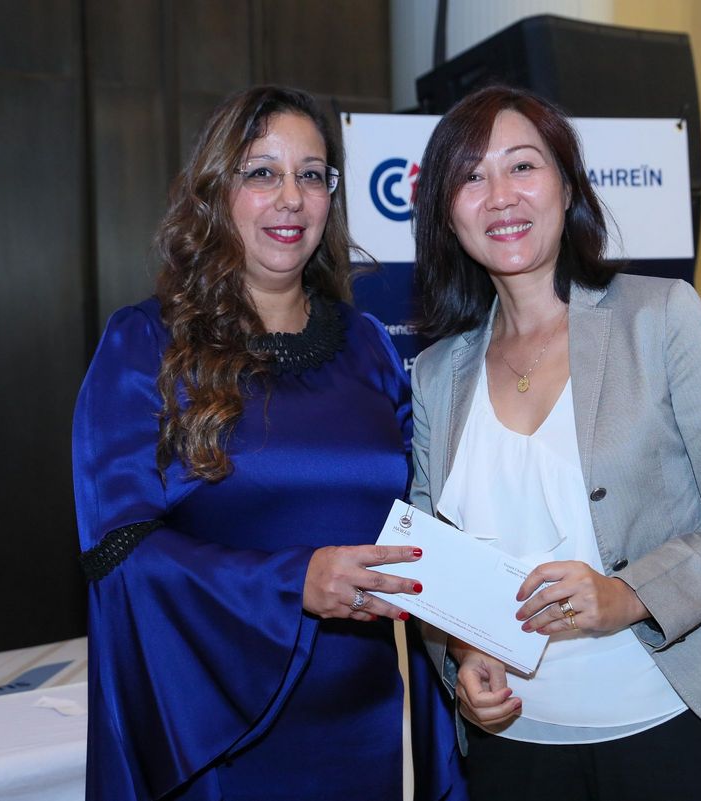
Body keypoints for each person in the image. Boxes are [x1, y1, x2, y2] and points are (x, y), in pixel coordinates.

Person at [73, 85, 463, 801]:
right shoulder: (144, 344)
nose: (291, 198)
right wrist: (294, 582)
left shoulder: (368, 346)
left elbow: (422, 527)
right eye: (262, 173)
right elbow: (117, 554)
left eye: (311, 175)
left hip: (366, 730)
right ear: (216, 192)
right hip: (216, 738)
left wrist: (480, 640)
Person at [408, 84, 701, 800]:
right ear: (445, 212)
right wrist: (463, 650)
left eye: (523, 166)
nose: (500, 195)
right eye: (471, 176)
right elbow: (439, 563)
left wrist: (628, 595)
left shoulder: (661, 318)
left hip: (678, 733)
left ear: (566, 186)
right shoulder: (434, 375)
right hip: (515, 752)